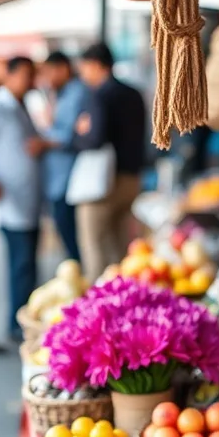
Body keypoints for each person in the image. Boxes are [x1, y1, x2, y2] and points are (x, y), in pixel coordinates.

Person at [0, 56, 44, 342]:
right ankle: (17, 324)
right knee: (21, 264)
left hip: (28, 199)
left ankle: (21, 321)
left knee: (28, 263)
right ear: (11, 75)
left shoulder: (21, 107)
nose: (31, 82)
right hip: (10, 202)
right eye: (27, 75)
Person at [73, 43, 147, 278]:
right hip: (132, 178)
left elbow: (94, 139)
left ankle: (100, 304)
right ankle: (124, 299)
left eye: (84, 67)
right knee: (122, 247)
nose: (83, 74)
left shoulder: (100, 95)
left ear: (95, 65)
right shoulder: (134, 94)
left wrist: (79, 133)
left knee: (94, 245)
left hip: (103, 183)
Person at [38, 51, 87, 262]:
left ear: (63, 69)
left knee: (70, 233)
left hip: (68, 177)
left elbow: (71, 136)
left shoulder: (77, 93)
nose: (47, 78)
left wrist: (43, 142)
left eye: (49, 72)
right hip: (57, 177)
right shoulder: (59, 93)